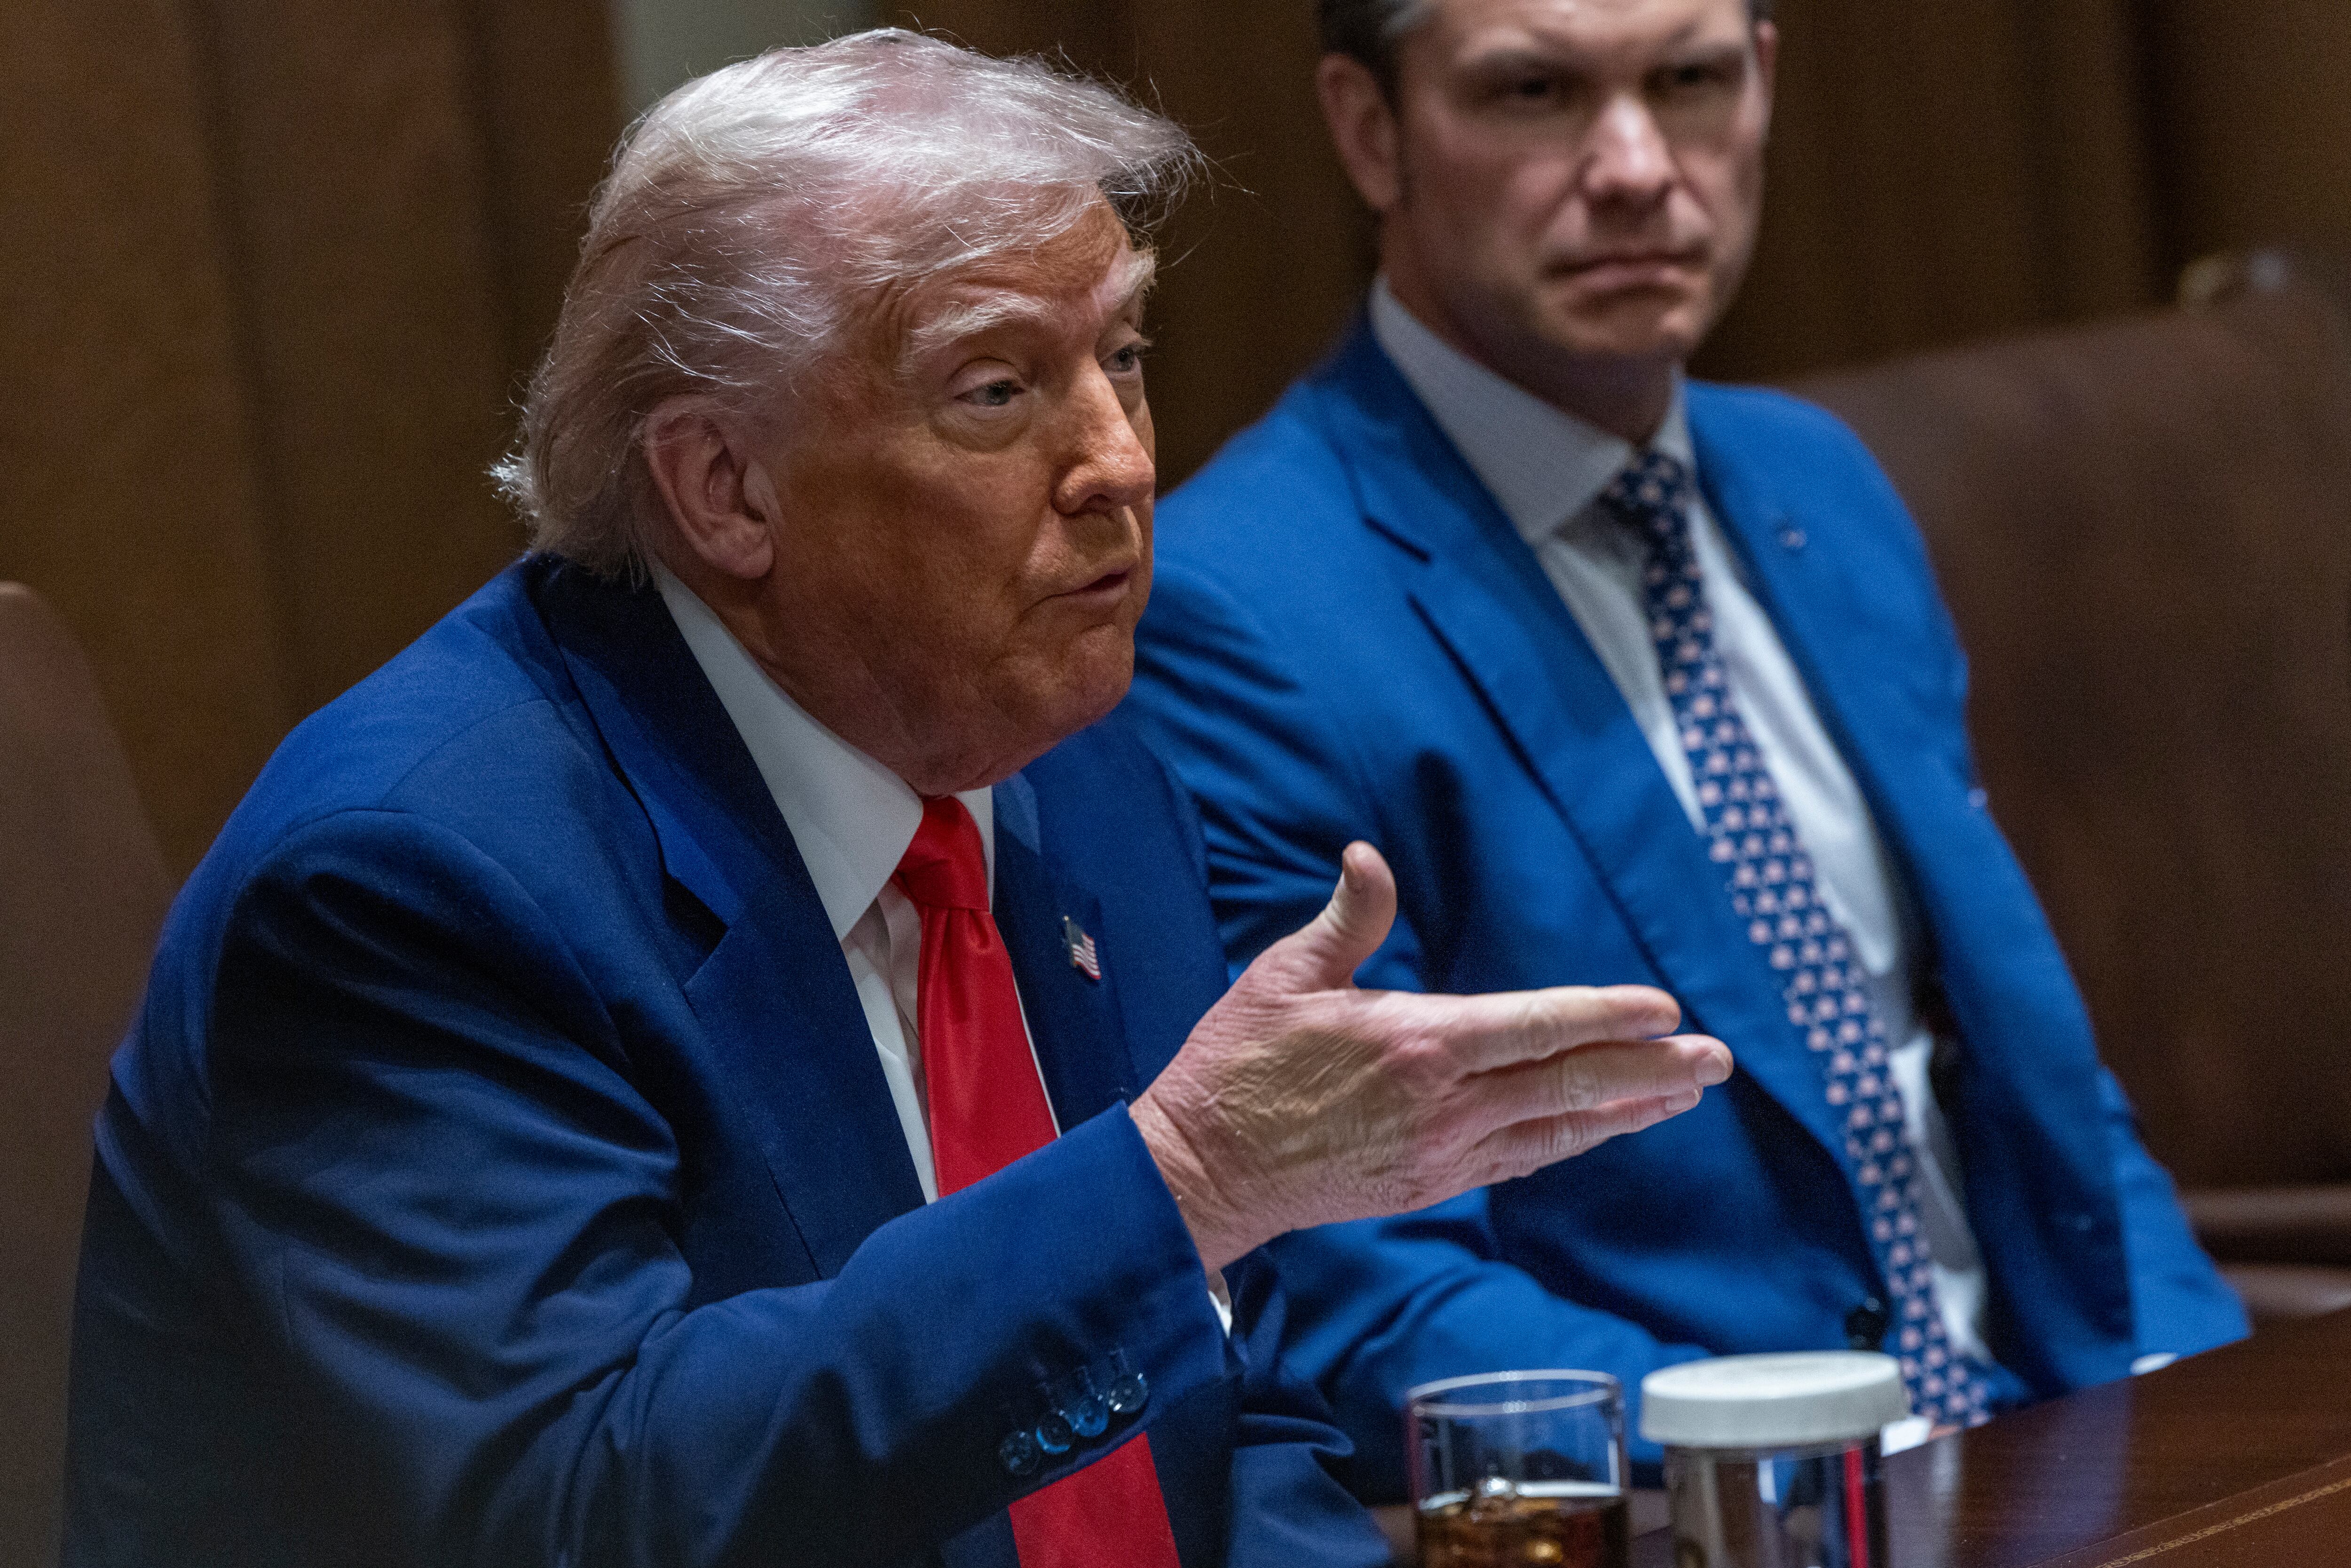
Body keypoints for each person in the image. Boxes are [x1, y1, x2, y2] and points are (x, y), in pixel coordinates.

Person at [61, 30, 1735, 1568]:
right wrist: (1186, 1179)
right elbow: (585, 1502)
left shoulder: (1071, 760)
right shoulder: (415, 883)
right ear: (724, 486)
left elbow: (1237, 1418)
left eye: (1126, 356)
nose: (1123, 461)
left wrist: (1195, 1214)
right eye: (997, 390)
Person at [1123, 0, 2248, 1495]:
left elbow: (2033, 1086)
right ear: (1369, 127)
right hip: (1721, 1500)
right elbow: (1356, 1291)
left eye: (1691, 79)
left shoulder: (1819, 481)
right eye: (1535, 91)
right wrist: (1860, 1460)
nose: (1640, 165)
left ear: (1764, 86)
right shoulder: (1238, 611)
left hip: (2066, 1445)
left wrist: (2205, 1398)